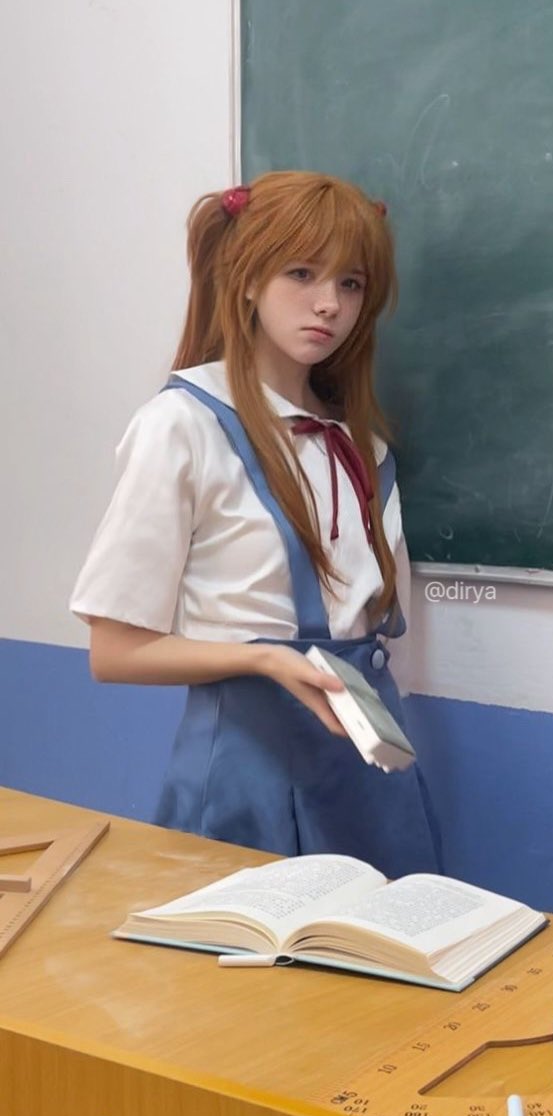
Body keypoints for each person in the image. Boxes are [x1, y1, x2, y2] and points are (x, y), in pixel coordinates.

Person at [70, 171, 441, 875]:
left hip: (370, 779)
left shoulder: (363, 448)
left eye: (352, 284)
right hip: (247, 780)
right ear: (246, 279)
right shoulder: (183, 425)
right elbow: (113, 652)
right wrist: (262, 658)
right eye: (301, 274)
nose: (329, 304)